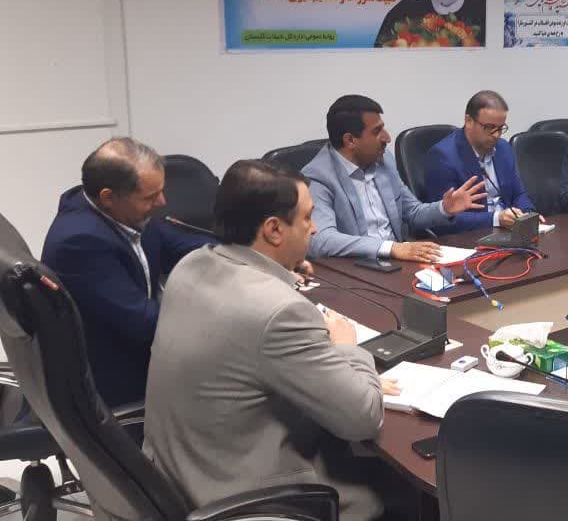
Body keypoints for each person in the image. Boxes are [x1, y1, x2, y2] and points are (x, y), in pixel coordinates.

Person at [144, 160, 397, 520]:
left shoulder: (190, 266)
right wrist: (346, 349)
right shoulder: (279, 311)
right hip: (250, 495)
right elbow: (363, 418)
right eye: (307, 217)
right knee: (396, 486)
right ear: (274, 229)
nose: (314, 228)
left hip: (179, 473)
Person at [40, 138, 212, 407]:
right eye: (151, 197)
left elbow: (178, 245)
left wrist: (248, 251)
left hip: (139, 351)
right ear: (108, 197)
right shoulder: (80, 242)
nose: (162, 202)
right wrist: (221, 327)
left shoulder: (123, 213)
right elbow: (146, 323)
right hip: (116, 380)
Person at [303, 94, 486, 261]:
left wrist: (444, 208)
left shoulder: (383, 160)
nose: (387, 138)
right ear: (350, 140)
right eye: (377, 131)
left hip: (397, 262)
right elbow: (321, 239)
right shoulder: (318, 177)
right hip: (356, 267)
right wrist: (390, 248)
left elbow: (413, 212)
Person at [422, 90, 539, 234]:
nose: (496, 135)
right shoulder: (443, 157)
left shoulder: (503, 148)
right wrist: (496, 219)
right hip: (472, 235)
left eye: (501, 128)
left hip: (509, 231)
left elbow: (518, 194)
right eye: (489, 127)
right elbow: (444, 218)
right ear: (469, 121)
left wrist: (529, 215)